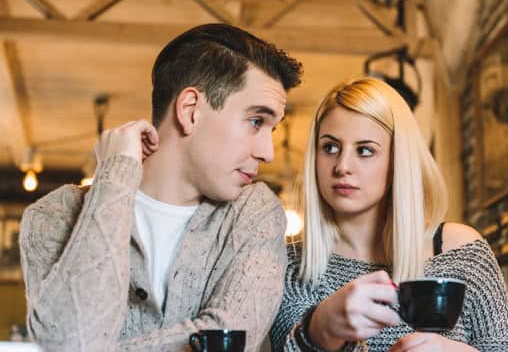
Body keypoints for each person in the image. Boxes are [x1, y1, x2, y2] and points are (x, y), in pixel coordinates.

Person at [19, 23, 303, 351]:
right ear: (190, 111)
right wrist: (115, 176)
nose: (267, 151)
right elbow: (70, 340)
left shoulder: (255, 212)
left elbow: (231, 336)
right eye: (256, 122)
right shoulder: (52, 216)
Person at [270, 78, 508, 351]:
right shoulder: (290, 264)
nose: (342, 166)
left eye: (365, 150)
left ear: (398, 161)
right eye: (330, 148)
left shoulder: (458, 249)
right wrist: (321, 328)